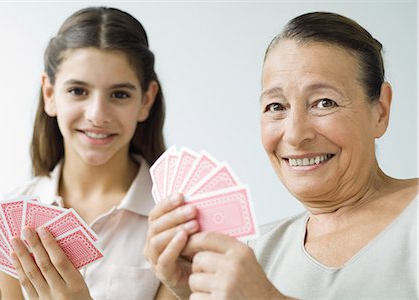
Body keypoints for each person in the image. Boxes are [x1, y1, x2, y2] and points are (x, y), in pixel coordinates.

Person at [144, 11, 418, 299]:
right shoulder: (255, 253)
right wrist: (188, 291)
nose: (295, 134)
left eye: (324, 102)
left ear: (381, 111)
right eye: (276, 106)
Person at [0, 6, 170, 299]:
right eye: (78, 91)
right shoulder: (10, 214)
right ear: (50, 94)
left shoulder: (173, 220)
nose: (98, 115)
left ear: (146, 99)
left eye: (119, 94)